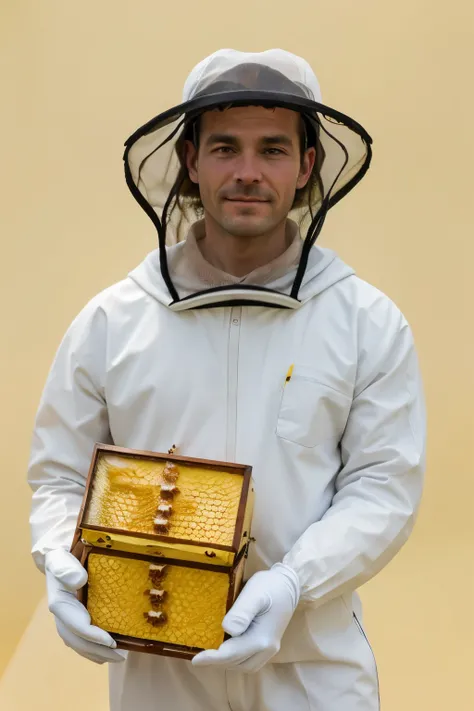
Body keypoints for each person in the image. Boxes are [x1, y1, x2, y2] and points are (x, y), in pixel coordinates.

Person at [28, 48, 426, 710]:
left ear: (307, 166)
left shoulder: (367, 322)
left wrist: (293, 581)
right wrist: (60, 562)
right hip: (159, 677)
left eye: (272, 149)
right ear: (190, 161)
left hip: (312, 673)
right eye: (224, 148)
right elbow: (61, 475)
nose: (247, 172)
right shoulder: (112, 320)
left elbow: (383, 486)